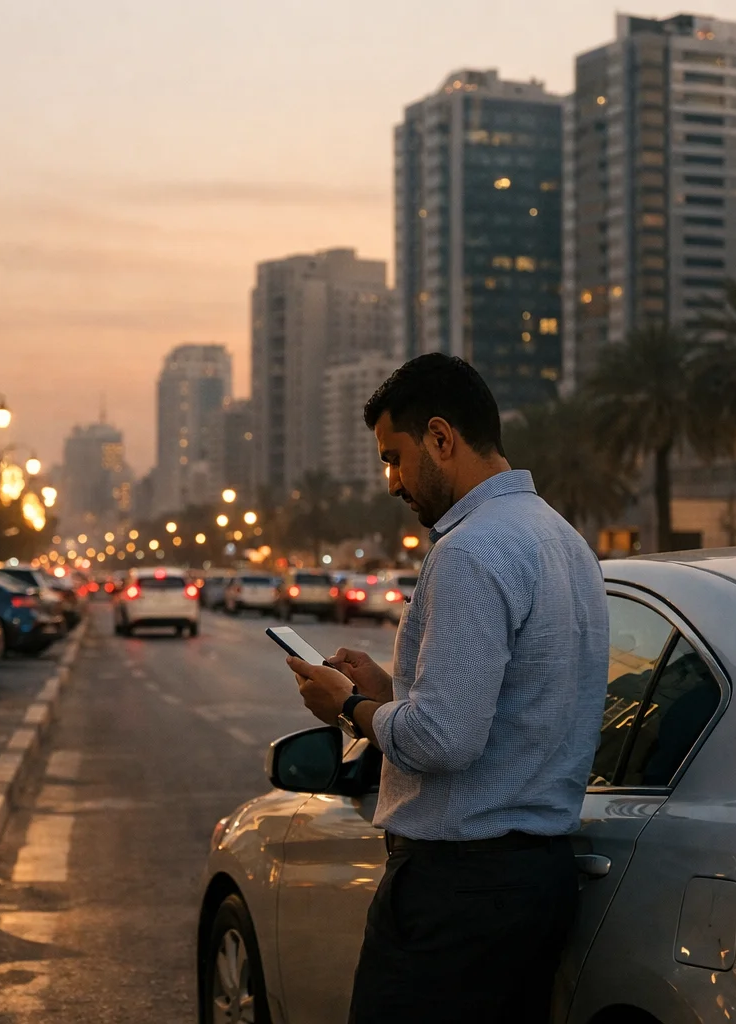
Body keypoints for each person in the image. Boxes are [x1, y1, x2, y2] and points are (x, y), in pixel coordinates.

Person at [286, 353, 609, 1023]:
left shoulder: (469, 550)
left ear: (440, 437)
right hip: (536, 886)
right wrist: (390, 690)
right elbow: (508, 705)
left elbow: (443, 740)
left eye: (394, 458)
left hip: (457, 893)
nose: (391, 482)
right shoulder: (562, 539)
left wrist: (347, 706)